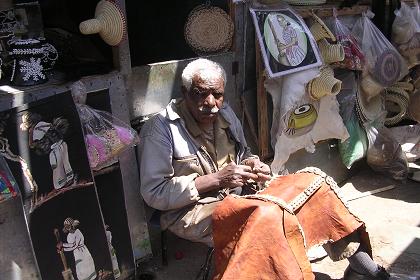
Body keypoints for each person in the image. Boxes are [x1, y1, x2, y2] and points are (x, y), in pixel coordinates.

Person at [138, 58, 389, 280]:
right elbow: (154, 193)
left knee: (314, 185)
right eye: (200, 94)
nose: (211, 103)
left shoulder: (223, 114)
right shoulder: (160, 129)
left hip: (236, 195)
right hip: (190, 210)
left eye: (217, 94)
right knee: (268, 217)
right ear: (185, 92)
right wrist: (217, 180)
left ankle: (361, 267)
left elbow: (244, 154)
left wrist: (252, 164)